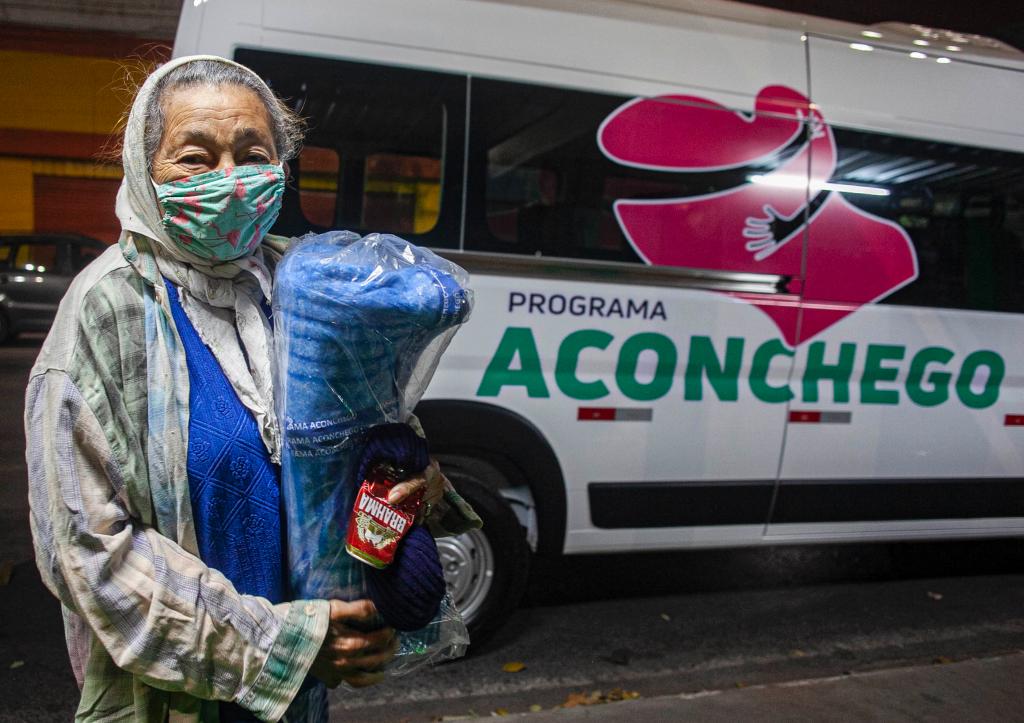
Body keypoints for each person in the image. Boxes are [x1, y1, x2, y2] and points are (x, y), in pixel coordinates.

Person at [25, 54, 481, 722]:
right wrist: (284, 644)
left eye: (252, 153)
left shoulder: (301, 285)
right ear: (144, 168)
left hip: (298, 701)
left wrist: (422, 487)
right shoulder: (106, 311)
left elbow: (370, 434)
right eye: (195, 157)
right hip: (170, 702)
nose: (229, 181)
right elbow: (89, 554)